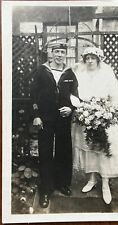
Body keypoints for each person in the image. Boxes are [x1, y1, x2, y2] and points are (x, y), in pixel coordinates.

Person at [72, 47, 118, 204]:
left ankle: (105, 184)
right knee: (88, 148)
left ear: (98, 60)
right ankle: (91, 179)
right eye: (87, 58)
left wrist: (108, 111)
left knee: (103, 149)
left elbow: (116, 94)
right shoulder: (80, 74)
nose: (89, 61)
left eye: (92, 58)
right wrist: (82, 109)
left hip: (103, 115)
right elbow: (74, 93)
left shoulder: (106, 74)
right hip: (86, 115)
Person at [31, 42, 78, 208]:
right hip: (45, 118)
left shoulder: (70, 73)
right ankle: (46, 189)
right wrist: (36, 115)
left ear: (66, 54)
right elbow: (33, 95)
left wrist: (71, 108)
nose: (59, 55)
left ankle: (62, 183)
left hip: (63, 119)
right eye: (56, 52)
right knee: (45, 152)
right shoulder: (41, 71)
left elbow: (75, 95)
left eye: (62, 52)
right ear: (51, 54)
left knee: (64, 150)